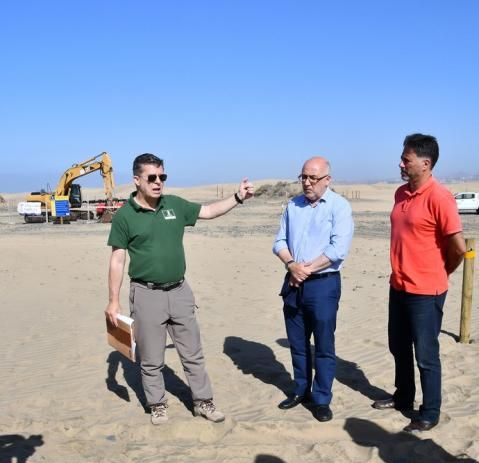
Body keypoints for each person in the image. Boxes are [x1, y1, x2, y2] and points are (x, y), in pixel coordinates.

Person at [105, 153, 253, 425]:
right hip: (146, 294)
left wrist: (237, 197)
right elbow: (117, 259)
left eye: (163, 176)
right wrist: (113, 300)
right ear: (137, 180)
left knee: (192, 353)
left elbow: (207, 211)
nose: (158, 182)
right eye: (152, 177)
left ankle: (203, 402)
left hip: (180, 292)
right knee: (151, 357)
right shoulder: (125, 216)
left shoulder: (174, 205)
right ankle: (157, 404)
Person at [372, 133, 465, 432]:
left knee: (425, 354)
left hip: (426, 291)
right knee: (398, 346)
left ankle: (430, 411)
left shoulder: (440, 197)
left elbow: (459, 248)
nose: (401, 163)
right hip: (398, 286)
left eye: (406, 159)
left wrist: (439, 272)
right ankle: (403, 397)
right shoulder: (400, 193)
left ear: (425, 163)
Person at [273, 157, 354, 422]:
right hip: (294, 283)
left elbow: (337, 249)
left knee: (323, 344)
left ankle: (321, 398)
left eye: (313, 178)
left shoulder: (339, 207)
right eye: (303, 177)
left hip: (323, 285)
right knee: (297, 344)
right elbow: (279, 241)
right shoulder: (293, 206)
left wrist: (305, 269)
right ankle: (300, 390)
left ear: (327, 180)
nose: (307, 183)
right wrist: (292, 264)